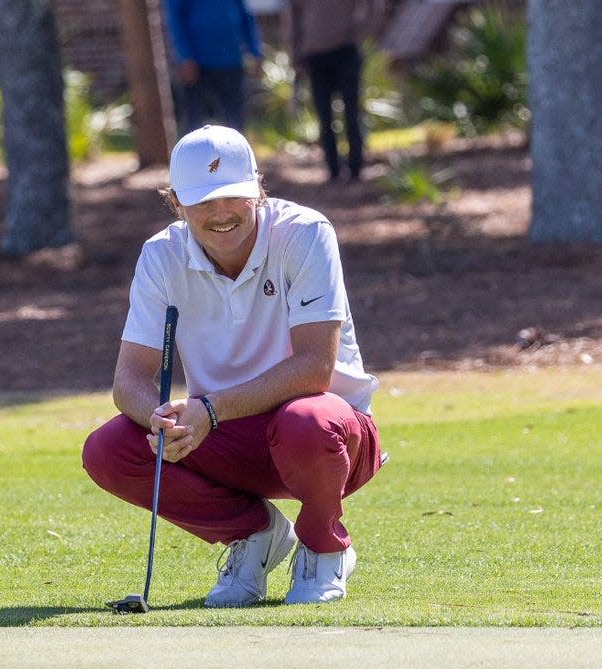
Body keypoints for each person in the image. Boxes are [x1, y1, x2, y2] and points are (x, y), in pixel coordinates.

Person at [82, 125, 386, 607]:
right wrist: (162, 420)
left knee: (306, 420)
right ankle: (255, 535)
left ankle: (323, 548)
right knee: (111, 448)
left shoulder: (305, 234)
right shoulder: (161, 256)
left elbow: (314, 368)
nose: (220, 213)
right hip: (223, 434)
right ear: (176, 202)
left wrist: (210, 409)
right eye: (202, 201)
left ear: (257, 188)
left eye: (233, 196)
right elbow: (129, 382)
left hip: (332, 437)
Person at [288, 0, 383, 182]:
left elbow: (374, 6)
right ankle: (333, 171)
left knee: (352, 113)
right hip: (314, 55)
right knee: (324, 116)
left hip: (345, 51)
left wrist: (360, 32)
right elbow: (293, 16)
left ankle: (356, 170)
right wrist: (295, 52)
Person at [163, 0, 264, 134]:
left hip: (232, 61)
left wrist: (255, 50)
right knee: (194, 124)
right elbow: (175, 19)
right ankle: (192, 155)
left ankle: (235, 154)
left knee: (235, 123)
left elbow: (245, 15)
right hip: (197, 66)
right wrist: (185, 57)